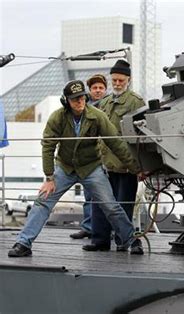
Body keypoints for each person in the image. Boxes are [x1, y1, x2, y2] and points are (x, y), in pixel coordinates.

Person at [8, 80, 143, 257]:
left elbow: (116, 143)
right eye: (74, 99)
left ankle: (132, 240)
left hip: (91, 167)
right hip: (65, 167)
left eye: (81, 98)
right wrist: (49, 178)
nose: (79, 102)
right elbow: (48, 146)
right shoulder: (57, 117)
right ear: (66, 101)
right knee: (42, 202)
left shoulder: (97, 116)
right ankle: (23, 243)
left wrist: (136, 168)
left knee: (111, 206)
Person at [84, 60, 145, 253]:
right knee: (99, 203)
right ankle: (100, 240)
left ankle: (122, 240)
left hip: (125, 163)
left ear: (128, 80)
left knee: (122, 204)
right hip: (104, 162)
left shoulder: (136, 101)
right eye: (114, 80)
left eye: (120, 80)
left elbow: (141, 133)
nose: (117, 84)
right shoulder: (106, 101)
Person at [69, 74, 108, 240]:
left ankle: (104, 229)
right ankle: (88, 227)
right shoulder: (81, 107)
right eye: (94, 88)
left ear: (105, 90)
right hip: (88, 157)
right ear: (89, 91)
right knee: (88, 196)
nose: (98, 91)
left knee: (105, 197)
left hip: (104, 157)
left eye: (100, 88)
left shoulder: (108, 105)